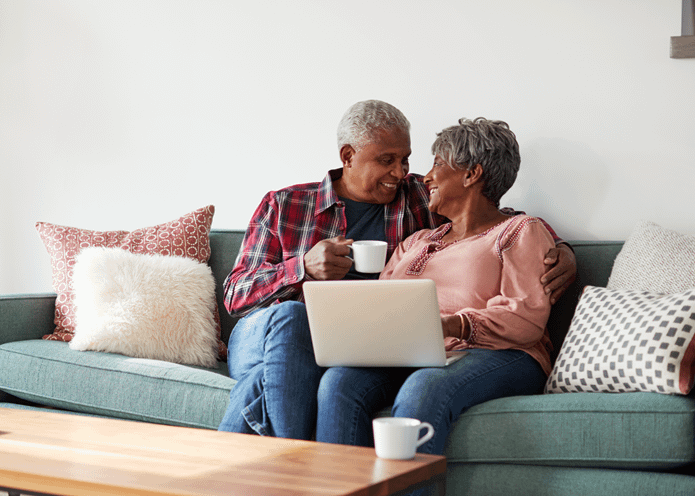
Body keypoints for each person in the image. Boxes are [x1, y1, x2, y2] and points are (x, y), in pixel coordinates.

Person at [218, 101, 575, 441]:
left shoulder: (416, 195)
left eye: (405, 159)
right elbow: (235, 295)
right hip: (267, 333)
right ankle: (294, 460)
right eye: (386, 160)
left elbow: (494, 219)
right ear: (348, 156)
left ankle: (274, 472)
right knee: (293, 318)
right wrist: (302, 267)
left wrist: (561, 249)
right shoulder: (285, 205)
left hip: (353, 342)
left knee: (290, 383)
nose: (401, 172)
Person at [314, 118, 553, 454]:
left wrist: (450, 324)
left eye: (438, 164)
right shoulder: (417, 242)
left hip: (501, 354)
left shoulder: (518, 231)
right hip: (414, 352)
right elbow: (382, 303)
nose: (425, 176)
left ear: (472, 174)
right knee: (339, 383)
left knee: (422, 389)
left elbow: (526, 318)